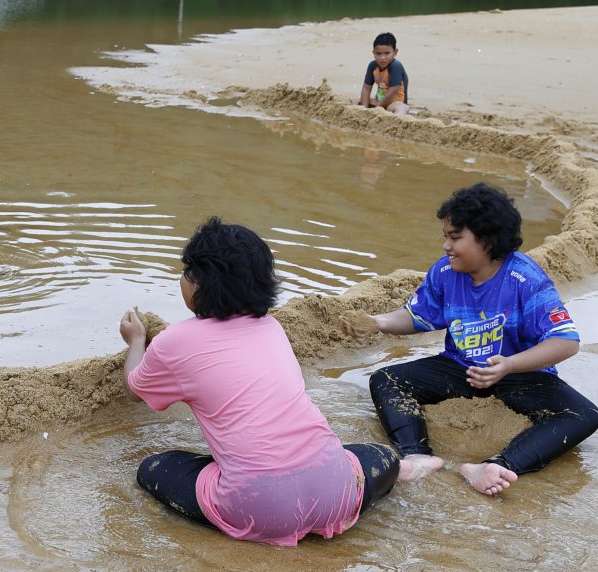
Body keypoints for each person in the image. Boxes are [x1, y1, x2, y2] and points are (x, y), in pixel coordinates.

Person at [118, 218, 441, 547]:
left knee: (156, 467)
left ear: (202, 284)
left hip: (260, 507)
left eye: (187, 271)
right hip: (335, 493)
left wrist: (136, 340)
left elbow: (134, 388)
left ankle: (256, 510)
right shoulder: (270, 326)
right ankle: (402, 472)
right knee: (378, 456)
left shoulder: (174, 341)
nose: (182, 278)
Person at [343, 183, 598, 496]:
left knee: (585, 415)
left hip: (519, 374)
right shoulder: (445, 272)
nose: (446, 246)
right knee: (387, 380)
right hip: (461, 368)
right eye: (446, 236)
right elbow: (418, 316)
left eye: (455, 237)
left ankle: (498, 464)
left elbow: (566, 342)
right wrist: (377, 322)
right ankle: (417, 454)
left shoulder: (525, 279)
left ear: (487, 241)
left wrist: (509, 364)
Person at [356, 32, 410, 115]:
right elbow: (366, 88)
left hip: (394, 104)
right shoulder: (372, 65)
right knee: (355, 101)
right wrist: (364, 109)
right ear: (373, 53)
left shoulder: (396, 66)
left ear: (395, 52)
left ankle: (395, 121)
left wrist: (378, 109)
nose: (382, 58)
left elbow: (393, 92)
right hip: (379, 102)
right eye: (378, 53)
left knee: (402, 108)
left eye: (387, 53)